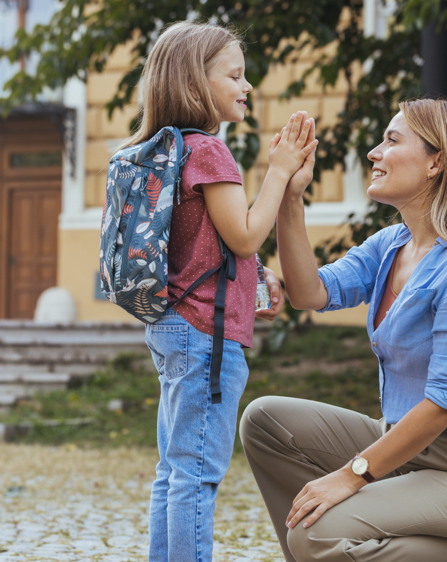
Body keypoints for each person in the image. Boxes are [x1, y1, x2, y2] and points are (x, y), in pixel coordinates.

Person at [239, 98, 447, 562]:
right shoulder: (393, 244)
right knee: (266, 421)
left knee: (315, 537)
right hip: (402, 445)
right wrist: (290, 197)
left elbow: (444, 403)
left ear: (437, 162)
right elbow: (311, 293)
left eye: (391, 141)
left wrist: (351, 476)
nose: (374, 152)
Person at [126, 21, 317, 562]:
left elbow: (210, 245)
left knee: (174, 468)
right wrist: (279, 171)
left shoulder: (170, 149)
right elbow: (245, 233)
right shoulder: (208, 151)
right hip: (204, 335)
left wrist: (259, 279)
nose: (247, 85)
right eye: (234, 74)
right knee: (196, 473)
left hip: (170, 324)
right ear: (194, 82)